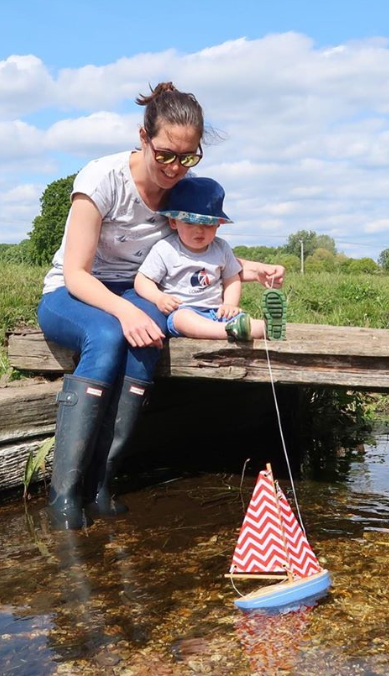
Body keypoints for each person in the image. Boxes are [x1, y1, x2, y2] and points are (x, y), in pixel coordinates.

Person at [37, 82, 284, 530]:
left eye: (188, 157)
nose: (175, 168)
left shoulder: (181, 190)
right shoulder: (101, 180)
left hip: (136, 291)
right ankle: (65, 494)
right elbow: (76, 273)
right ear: (143, 137)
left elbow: (199, 253)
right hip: (73, 293)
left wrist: (252, 269)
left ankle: (101, 483)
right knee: (109, 335)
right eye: (166, 154)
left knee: (151, 333)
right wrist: (126, 311)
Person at [134, 176, 268, 341]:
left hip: (217, 312)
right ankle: (228, 331)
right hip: (184, 309)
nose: (199, 231)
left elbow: (232, 280)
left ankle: (265, 327)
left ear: (218, 224)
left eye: (208, 224)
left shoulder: (221, 248)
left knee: (245, 319)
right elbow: (142, 280)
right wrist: (159, 297)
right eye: (190, 223)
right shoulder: (166, 249)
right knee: (183, 319)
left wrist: (230, 305)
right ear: (173, 222)